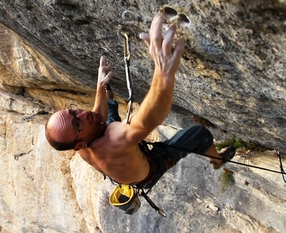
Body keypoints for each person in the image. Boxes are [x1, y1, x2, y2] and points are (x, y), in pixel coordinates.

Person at [45, 13, 235, 190]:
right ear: (79, 143)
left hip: (121, 164)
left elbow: (96, 118)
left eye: (73, 111)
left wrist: (100, 87)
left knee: (107, 109)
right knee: (199, 133)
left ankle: (105, 99)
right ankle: (217, 161)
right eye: (77, 122)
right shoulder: (114, 140)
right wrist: (163, 73)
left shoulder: (80, 144)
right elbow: (146, 121)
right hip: (150, 168)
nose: (83, 114)